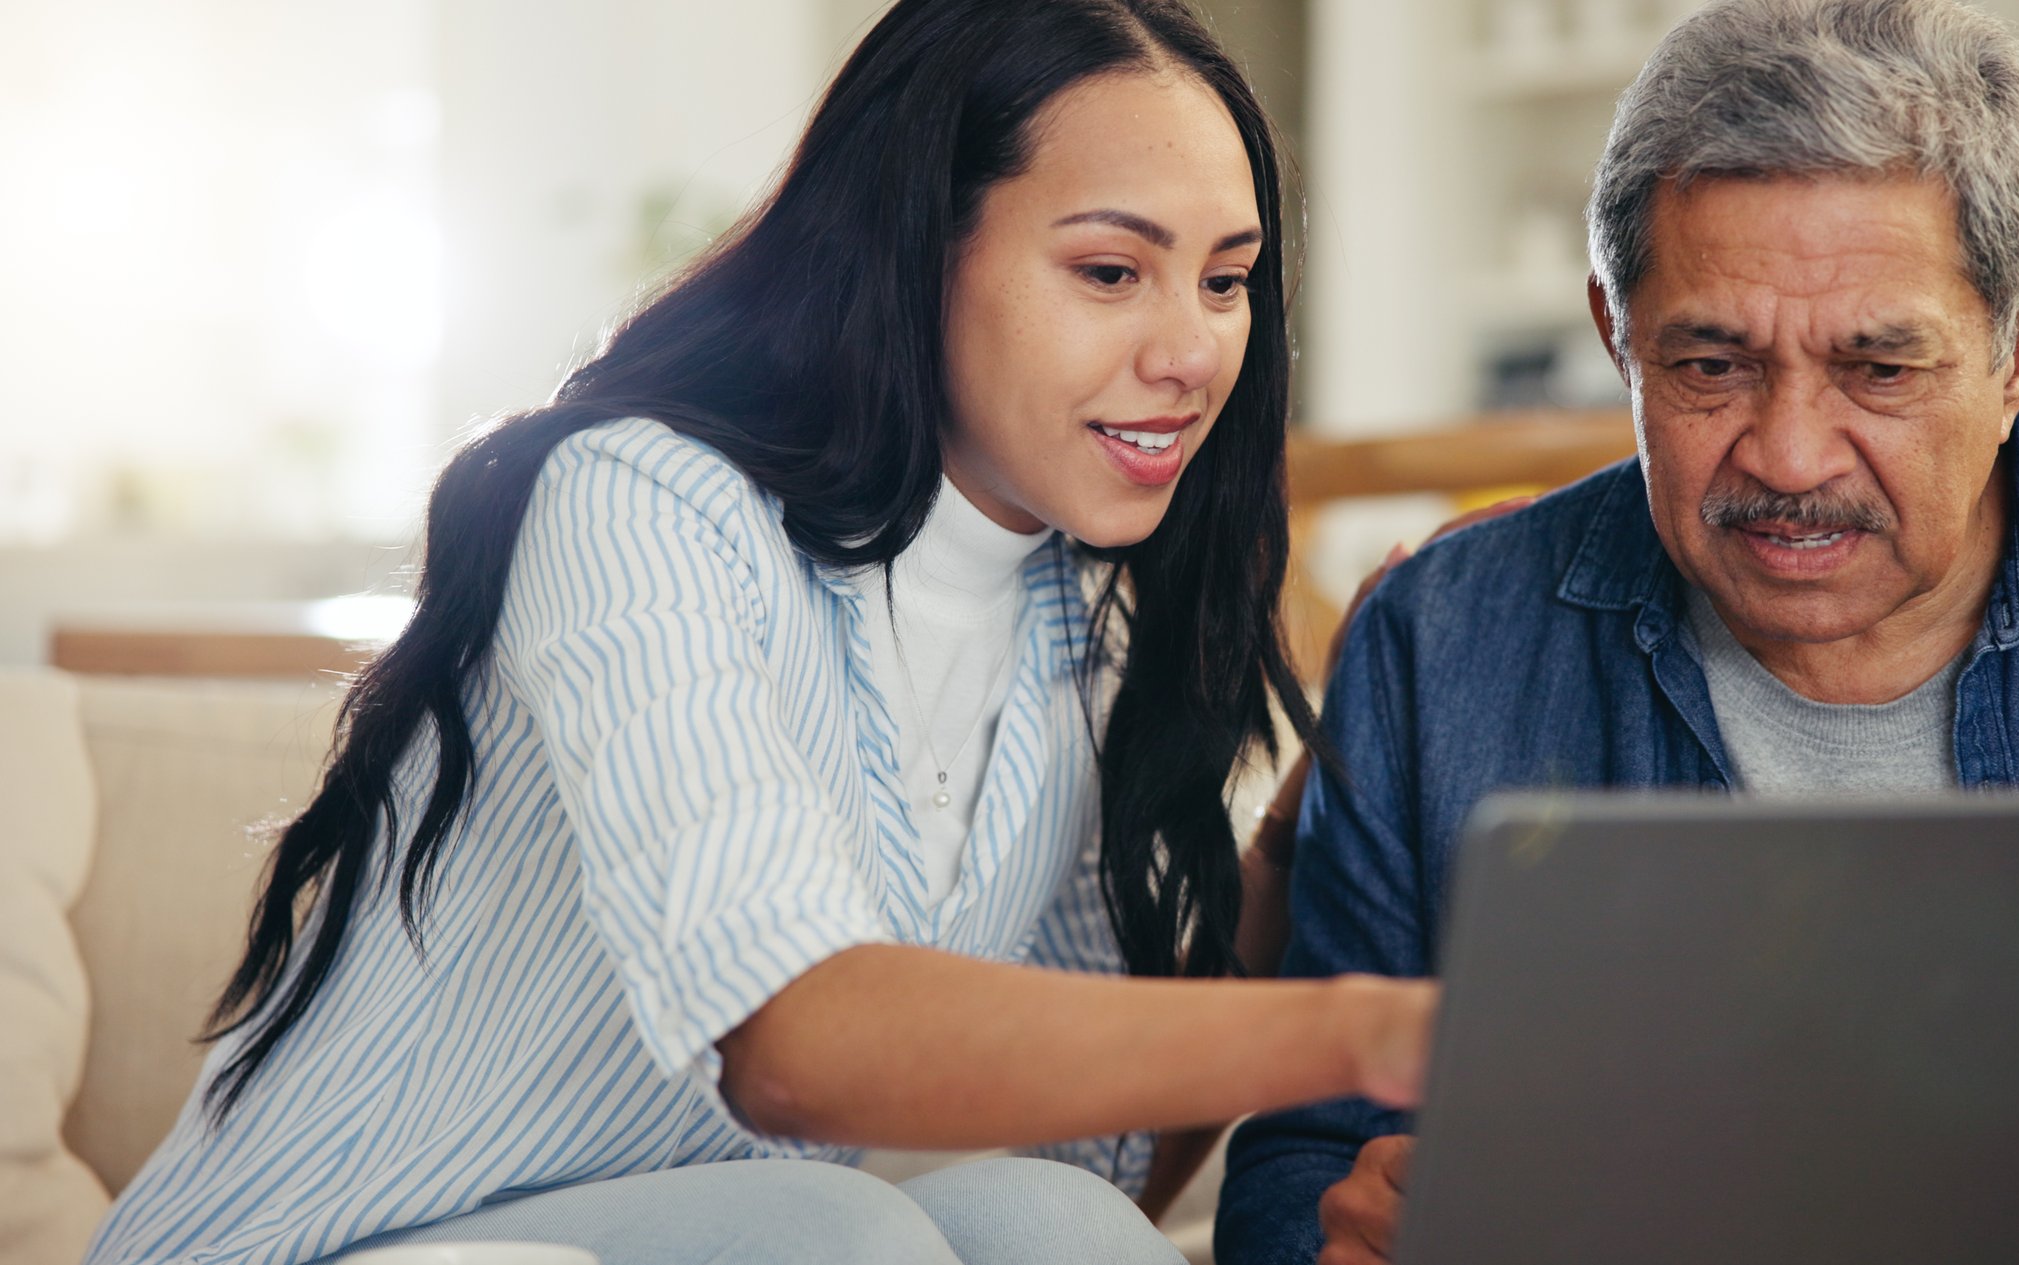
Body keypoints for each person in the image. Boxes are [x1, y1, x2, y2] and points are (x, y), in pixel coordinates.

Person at [85, 3, 1437, 1263]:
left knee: (1044, 1216)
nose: (1194, 349)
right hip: (335, 1240)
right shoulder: (638, 501)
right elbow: (795, 1044)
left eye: (1226, 280)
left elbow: (1095, 1156)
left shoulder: (1076, 625)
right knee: (839, 1235)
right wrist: (1366, 1031)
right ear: (920, 249)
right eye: (1109, 269)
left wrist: (1326, 794)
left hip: (688, 1230)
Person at [1215, 0, 2019, 1261]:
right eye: (1709, 366)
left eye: (1879, 370)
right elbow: (1305, 1160)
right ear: (1618, 338)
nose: (1787, 455)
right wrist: (1345, 1233)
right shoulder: (1439, 640)